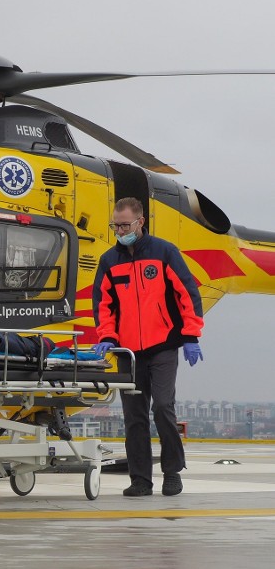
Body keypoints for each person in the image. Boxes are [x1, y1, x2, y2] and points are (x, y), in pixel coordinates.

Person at [92, 197, 204, 497]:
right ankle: (140, 479)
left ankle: (172, 472)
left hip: (164, 345)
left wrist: (191, 336)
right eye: (115, 225)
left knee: (163, 407)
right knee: (134, 416)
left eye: (124, 225)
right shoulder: (109, 261)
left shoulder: (164, 252)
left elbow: (187, 294)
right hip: (129, 353)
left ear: (140, 222)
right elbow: (104, 306)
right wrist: (107, 337)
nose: (119, 230)